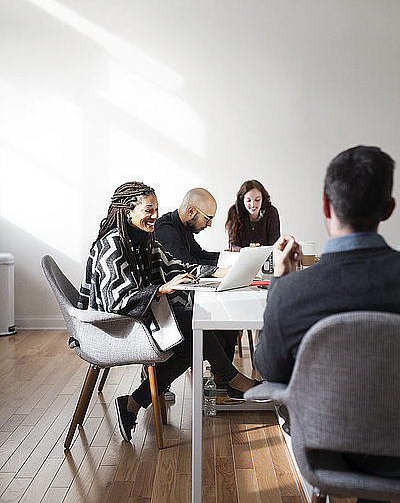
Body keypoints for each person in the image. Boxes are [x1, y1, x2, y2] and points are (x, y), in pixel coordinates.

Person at [254, 145, 400, 493]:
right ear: (389, 210)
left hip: (328, 451)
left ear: (325, 205)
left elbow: (269, 370)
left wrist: (281, 282)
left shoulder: (293, 292)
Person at [79, 181, 260, 443]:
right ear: (128, 212)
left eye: (156, 208)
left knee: (191, 339)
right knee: (192, 328)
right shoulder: (112, 245)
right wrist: (162, 289)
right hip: (110, 326)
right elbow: (115, 300)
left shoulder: (142, 239)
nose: (155, 215)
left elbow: (175, 265)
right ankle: (234, 381)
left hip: (135, 317)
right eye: (148, 209)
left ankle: (132, 403)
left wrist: (218, 272)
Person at [155, 187, 238, 378]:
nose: (209, 224)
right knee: (221, 323)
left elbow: (199, 255)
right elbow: (187, 266)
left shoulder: (183, 228)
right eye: (208, 218)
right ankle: (227, 379)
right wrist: (220, 270)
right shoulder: (165, 230)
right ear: (191, 211)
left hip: (183, 295)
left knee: (230, 324)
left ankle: (223, 378)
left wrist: (230, 258)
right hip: (170, 302)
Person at [225, 179, 280, 251]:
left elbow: (275, 244)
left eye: (257, 200)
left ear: (263, 199)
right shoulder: (234, 212)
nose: (253, 205)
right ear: (242, 200)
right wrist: (248, 252)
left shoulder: (271, 212)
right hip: (242, 258)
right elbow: (234, 245)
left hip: (265, 257)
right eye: (248, 200)